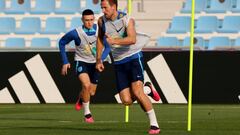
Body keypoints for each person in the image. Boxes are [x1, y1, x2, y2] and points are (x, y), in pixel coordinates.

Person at [96, 0, 160, 134]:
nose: (103, 10)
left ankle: (154, 125)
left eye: (105, 7)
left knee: (137, 92)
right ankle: (148, 89)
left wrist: (114, 41)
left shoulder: (127, 19)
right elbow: (100, 39)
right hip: (119, 62)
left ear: (114, 7)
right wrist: (99, 59)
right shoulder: (101, 22)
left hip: (134, 58)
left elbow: (132, 39)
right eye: (102, 7)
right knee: (126, 101)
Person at [59, 9, 101, 123]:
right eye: (86, 20)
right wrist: (65, 61)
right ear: (82, 20)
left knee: (91, 92)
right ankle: (87, 114)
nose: (89, 22)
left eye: (91, 20)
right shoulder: (76, 33)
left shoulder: (100, 30)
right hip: (81, 61)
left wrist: (101, 59)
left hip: (96, 63)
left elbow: (107, 45)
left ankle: (81, 98)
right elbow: (62, 42)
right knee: (86, 86)